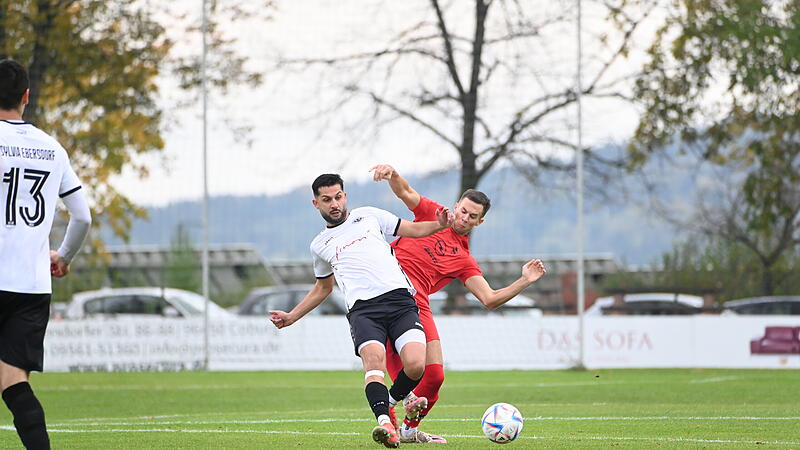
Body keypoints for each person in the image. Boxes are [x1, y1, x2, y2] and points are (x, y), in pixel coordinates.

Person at [269, 173, 454, 448]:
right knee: (374, 362)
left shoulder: (369, 216)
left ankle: (390, 401)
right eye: (326, 199)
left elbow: (411, 230)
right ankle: (384, 424)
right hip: (364, 311)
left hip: (400, 300)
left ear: (345, 196)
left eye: (338, 196)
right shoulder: (319, 245)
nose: (334, 203)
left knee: (417, 365)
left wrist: (438, 225)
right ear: (316, 203)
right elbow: (323, 288)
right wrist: (292, 316)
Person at [371, 164, 547, 444]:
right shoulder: (433, 214)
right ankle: (395, 415)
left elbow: (489, 299)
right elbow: (405, 192)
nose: (464, 218)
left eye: (472, 216)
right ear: (456, 206)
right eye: (463, 211)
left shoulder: (464, 259)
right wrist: (392, 175)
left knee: (435, 378)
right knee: (406, 366)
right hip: (389, 294)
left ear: (480, 222)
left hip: (419, 305)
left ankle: (408, 428)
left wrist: (524, 280)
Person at [0, 59, 92, 450]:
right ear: (26, 96)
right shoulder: (51, 148)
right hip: (30, 285)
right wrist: (63, 257)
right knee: (13, 383)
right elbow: (83, 217)